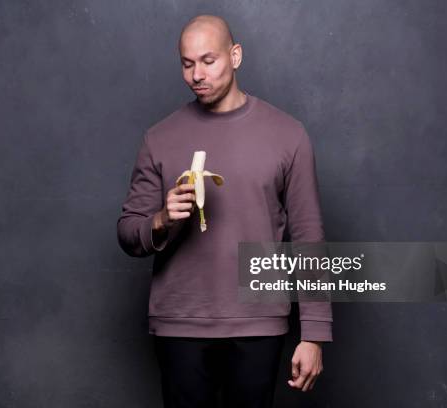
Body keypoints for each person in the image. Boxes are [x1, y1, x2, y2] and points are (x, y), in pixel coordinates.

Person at [117, 14, 332, 408]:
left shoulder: (288, 134)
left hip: (258, 322)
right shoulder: (159, 138)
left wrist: (314, 333)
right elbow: (129, 233)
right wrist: (161, 221)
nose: (197, 74)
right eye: (187, 64)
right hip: (179, 323)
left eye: (208, 60)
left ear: (235, 56)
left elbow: (308, 236)